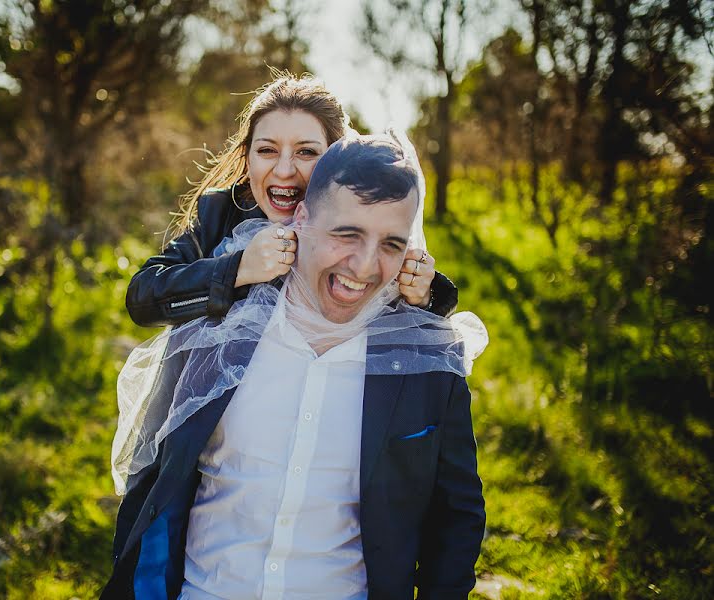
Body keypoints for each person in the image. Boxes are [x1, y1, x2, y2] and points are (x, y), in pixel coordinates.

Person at [101, 134, 485, 600]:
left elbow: (457, 517)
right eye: (347, 234)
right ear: (300, 218)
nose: (364, 266)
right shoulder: (219, 334)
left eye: (390, 244)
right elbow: (153, 491)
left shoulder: (427, 361)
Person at [125, 72, 458, 328]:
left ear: (338, 160)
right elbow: (143, 298)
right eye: (267, 150)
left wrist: (423, 296)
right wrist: (238, 269)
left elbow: (418, 310)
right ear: (248, 157)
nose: (284, 170)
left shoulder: (367, 221)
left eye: (307, 152)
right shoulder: (219, 212)